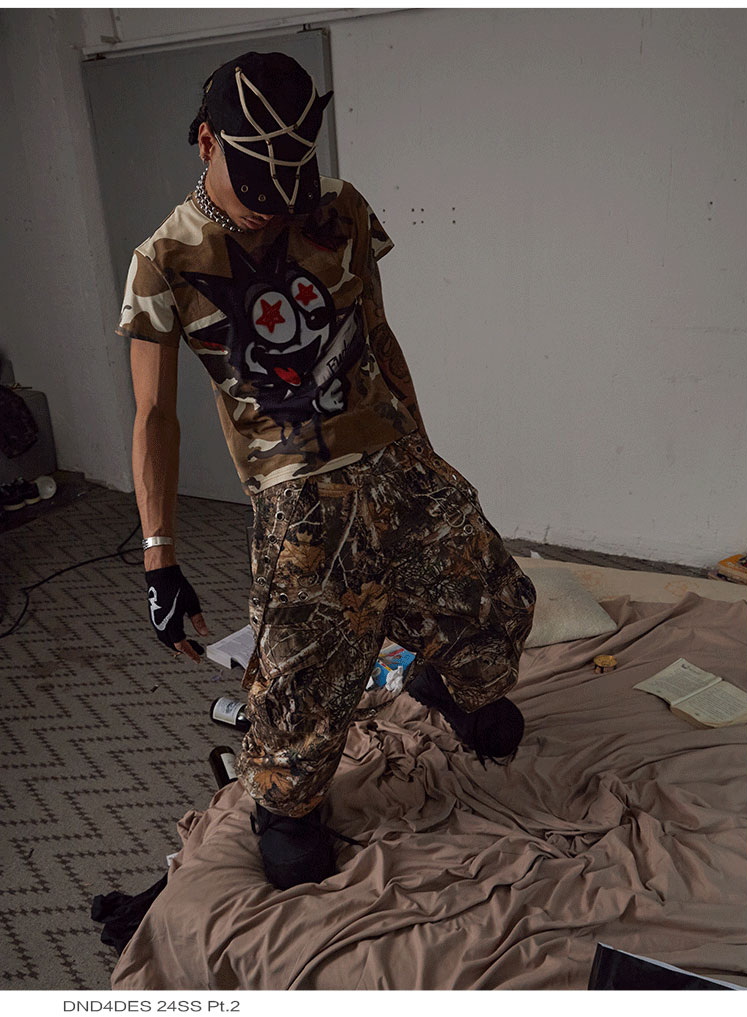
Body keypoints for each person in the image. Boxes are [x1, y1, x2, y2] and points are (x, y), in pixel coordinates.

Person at [118, 51, 537, 891]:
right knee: (305, 680)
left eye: (290, 182)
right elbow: (154, 416)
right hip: (299, 494)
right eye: (257, 184)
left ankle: (440, 677)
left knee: (498, 609)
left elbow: (377, 337)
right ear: (207, 142)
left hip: (393, 456)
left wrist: (424, 449)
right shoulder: (165, 259)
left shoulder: (338, 208)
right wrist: (160, 557)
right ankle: (287, 805)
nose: (275, 204)